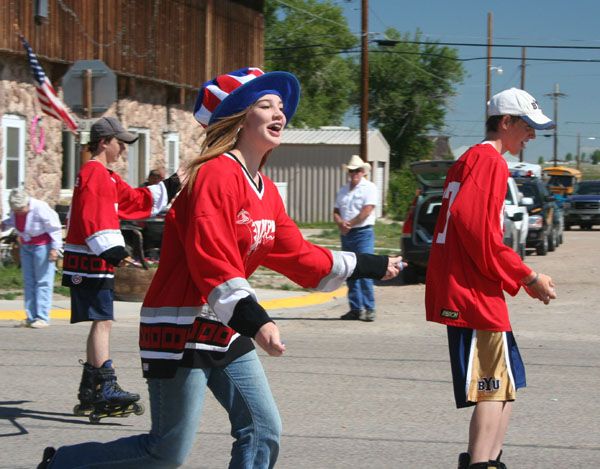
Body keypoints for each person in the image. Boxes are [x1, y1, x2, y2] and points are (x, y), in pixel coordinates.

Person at [38, 67, 404, 469]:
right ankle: (62, 464)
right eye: (266, 105)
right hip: (179, 326)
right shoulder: (213, 175)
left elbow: (299, 255)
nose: (279, 113)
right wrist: (255, 318)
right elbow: (212, 258)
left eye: (281, 106)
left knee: (263, 430)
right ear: (239, 118)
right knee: (166, 453)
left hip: (223, 325)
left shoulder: (261, 188)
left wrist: (373, 264)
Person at [425, 88, 557, 469]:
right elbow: (478, 234)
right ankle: (483, 463)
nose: (531, 135)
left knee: (505, 387)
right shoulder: (489, 161)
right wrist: (528, 276)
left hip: (474, 290)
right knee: (493, 389)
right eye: (527, 126)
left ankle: (489, 461)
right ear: (506, 122)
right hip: (473, 294)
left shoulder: (470, 159)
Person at [61, 117, 181, 418]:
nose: (123, 150)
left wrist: (172, 185)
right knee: (103, 321)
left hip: (90, 260)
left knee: (101, 321)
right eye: (120, 144)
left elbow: (132, 200)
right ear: (104, 142)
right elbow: (92, 214)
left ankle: (91, 386)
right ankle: (105, 385)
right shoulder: (93, 173)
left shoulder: (105, 176)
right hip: (89, 260)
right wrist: (111, 248)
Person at [1, 189, 62, 328]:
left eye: (21, 209)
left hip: (43, 246)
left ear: (27, 202)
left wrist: (55, 249)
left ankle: (42, 317)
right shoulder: (16, 211)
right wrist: (4, 224)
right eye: (16, 210)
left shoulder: (40, 207)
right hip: (26, 246)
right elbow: (13, 221)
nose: (19, 212)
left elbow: (55, 228)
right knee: (29, 281)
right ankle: (31, 317)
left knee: (43, 281)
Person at [334, 154, 379, 322]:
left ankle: (369, 308)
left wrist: (349, 224)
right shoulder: (343, 190)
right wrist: (340, 223)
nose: (355, 173)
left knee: (365, 270)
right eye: (352, 170)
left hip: (363, 232)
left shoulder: (370, 187)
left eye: (358, 170)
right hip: (347, 233)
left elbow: (367, 210)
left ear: (363, 171)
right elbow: (336, 211)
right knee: (350, 271)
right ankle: (356, 308)